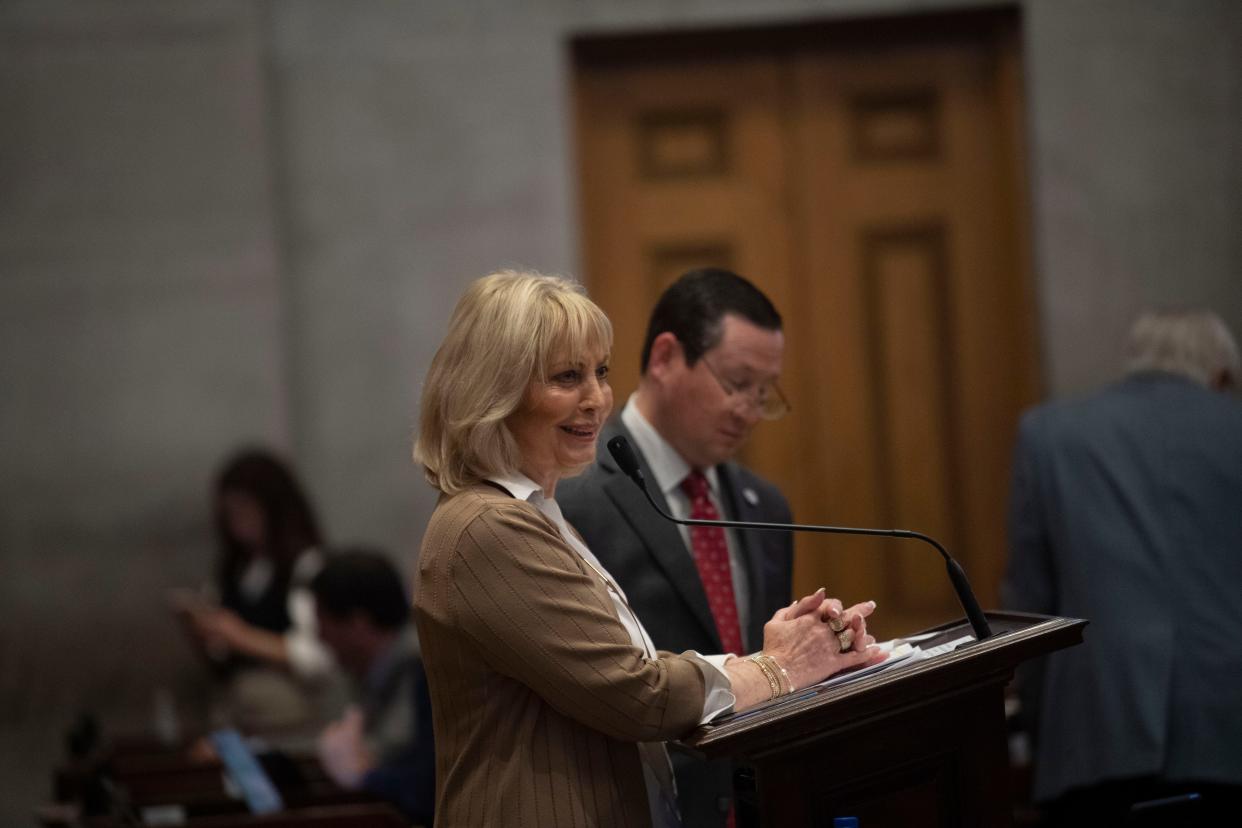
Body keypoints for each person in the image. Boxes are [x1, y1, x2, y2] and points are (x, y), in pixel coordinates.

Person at [412, 269, 882, 828]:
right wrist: (778, 667)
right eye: (567, 377)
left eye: (600, 372)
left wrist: (768, 656)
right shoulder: (488, 528)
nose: (597, 399)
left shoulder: (535, 513)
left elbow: (628, 670)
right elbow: (637, 694)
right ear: (494, 391)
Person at [557, 267, 794, 826]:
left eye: (765, 393)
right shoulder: (572, 499)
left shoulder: (767, 505)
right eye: (736, 384)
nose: (749, 410)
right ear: (665, 357)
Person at [1002, 309, 1242, 827]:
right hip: (1230, 733)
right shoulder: (1233, 425)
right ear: (1221, 376)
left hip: (1095, 737)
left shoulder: (1049, 435)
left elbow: (1028, 608)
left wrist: (1038, 735)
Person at [172, 448, 343, 745]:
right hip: (236, 707)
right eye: (230, 515)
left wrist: (240, 635)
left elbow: (318, 657)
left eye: (245, 512)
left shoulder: (305, 566)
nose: (237, 525)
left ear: (273, 509)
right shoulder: (239, 569)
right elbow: (222, 660)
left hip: (286, 714)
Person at [311, 549, 435, 826]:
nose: (318, 636)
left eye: (322, 621)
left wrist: (355, 769)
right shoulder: (377, 667)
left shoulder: (418, 663)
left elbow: (389, 754)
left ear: (358, 623)